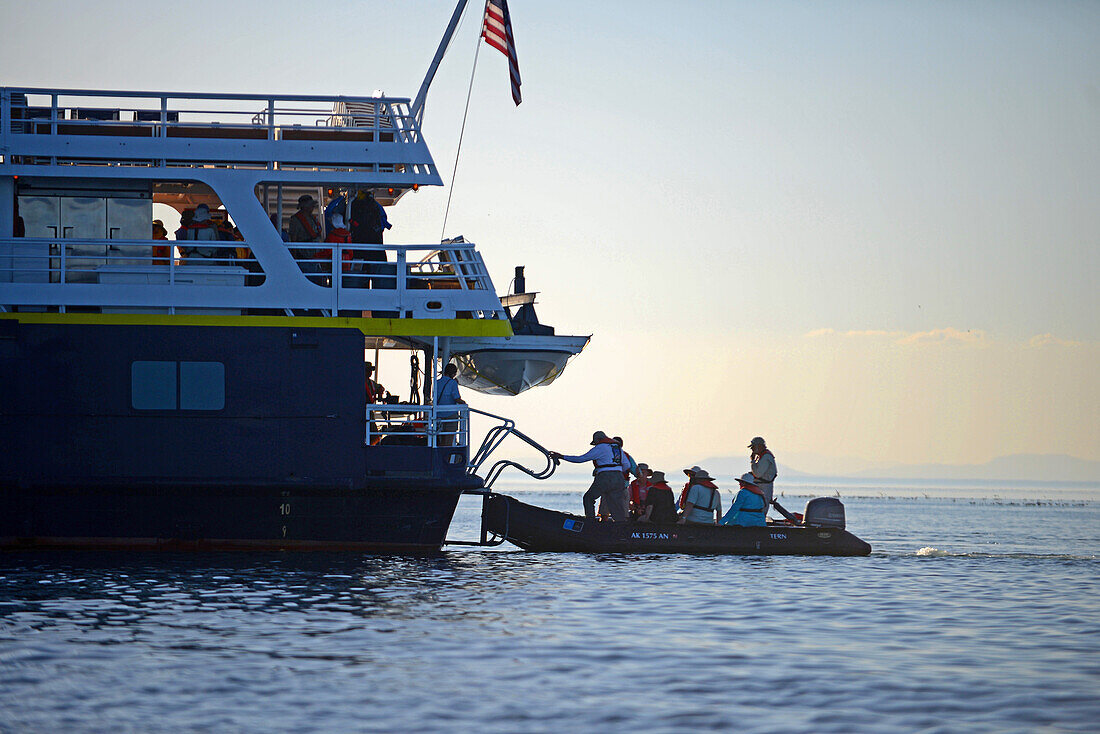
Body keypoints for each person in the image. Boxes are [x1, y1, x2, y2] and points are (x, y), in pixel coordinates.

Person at [550, 431, 632, 522]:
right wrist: (617, 472)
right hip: (619, 478)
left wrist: (562, 456)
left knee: (588, 498)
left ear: (598, 440)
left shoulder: (600, 448)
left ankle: (590, 523)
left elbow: (581, 459)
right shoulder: (617, 448)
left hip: (605, 477)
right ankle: (621, 528)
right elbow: (627, 465)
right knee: (616, 506)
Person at [349, 189, 393, 290]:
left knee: (359, 280)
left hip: (359, 248)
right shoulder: (375, 206)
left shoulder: (354, 205)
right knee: (379, 278)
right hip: (375, 247)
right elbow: (383, 223)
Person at [289, 195, 323, 275]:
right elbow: (293, 239)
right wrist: (294, 256)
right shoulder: (296, 220)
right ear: (305, 206)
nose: (313, 207)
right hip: (304, 256)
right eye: (311, 205)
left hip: (315, 256)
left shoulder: (312, 218)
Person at [434, 363, 466, 447]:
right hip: (450, 414)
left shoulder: (437, 382)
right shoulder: (452, 383)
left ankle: (440, 457)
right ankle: (446, 458)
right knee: (448, 440)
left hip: (439, 414)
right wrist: (464, 403)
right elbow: (457, 398)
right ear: (453, 373)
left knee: (440, 440)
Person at [318, 213, 353, 281]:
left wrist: (316, 256)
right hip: (346, 263)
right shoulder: (348, 234)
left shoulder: (332, 235)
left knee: (334, 281)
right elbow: (350, 252)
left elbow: (327, 252)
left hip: (334, 264)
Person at [748, 436, 778, 508]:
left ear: (759, 446)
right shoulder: (761, 456)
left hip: (764, 486)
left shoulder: (766, 457)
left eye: (753, 447)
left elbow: (758, 474)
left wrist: (752, 461)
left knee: (762, 507)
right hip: (762, 486)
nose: (752, 449)